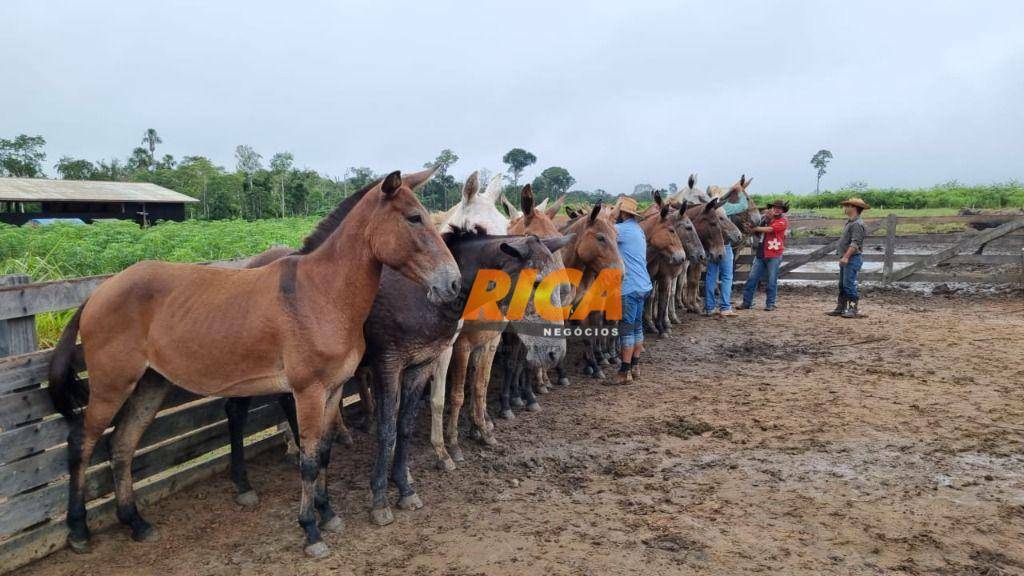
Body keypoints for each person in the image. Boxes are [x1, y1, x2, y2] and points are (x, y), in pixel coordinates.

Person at [611, 196, 652, 385]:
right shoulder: (638, 230)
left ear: (623, 213)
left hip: (629, 286)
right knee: (637, 327)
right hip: (643, 284)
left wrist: (610, 215)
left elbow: (603, 229)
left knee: (626, 330)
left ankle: (623, 372)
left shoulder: (620, 230)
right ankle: (635, 366)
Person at [738, 199, 789, 311]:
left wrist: (754, 228)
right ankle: (747, 302)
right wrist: (751, 226)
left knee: (771, 280)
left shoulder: (782, 221)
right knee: (752, 279)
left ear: (782, 211)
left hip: (773, 254)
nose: (776, 210)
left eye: (779, 208)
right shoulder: (765, 220)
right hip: (762, 253)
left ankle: (770, 303)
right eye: (774, 208)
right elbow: (757, 230)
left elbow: (770, 230)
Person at [705, 189, 745, 317]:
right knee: (727, 277)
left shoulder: (706, 210)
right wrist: (741, 191)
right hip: (725, 246)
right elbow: (743, 206)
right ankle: (725, 307)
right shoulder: (725, 208)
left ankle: (710, 307)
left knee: (711, 276)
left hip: (711, 247)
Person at [827, 197, 870, 318]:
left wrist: (846, 257)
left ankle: (852, 308)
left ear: (854, 208)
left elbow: (855, 243)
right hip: (848, 257)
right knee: (843, 284)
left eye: (847, 206)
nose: (845, 208)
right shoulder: (850, 222)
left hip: (852, 258)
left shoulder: (857, 224)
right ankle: (841, 307)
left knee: (848, 284)